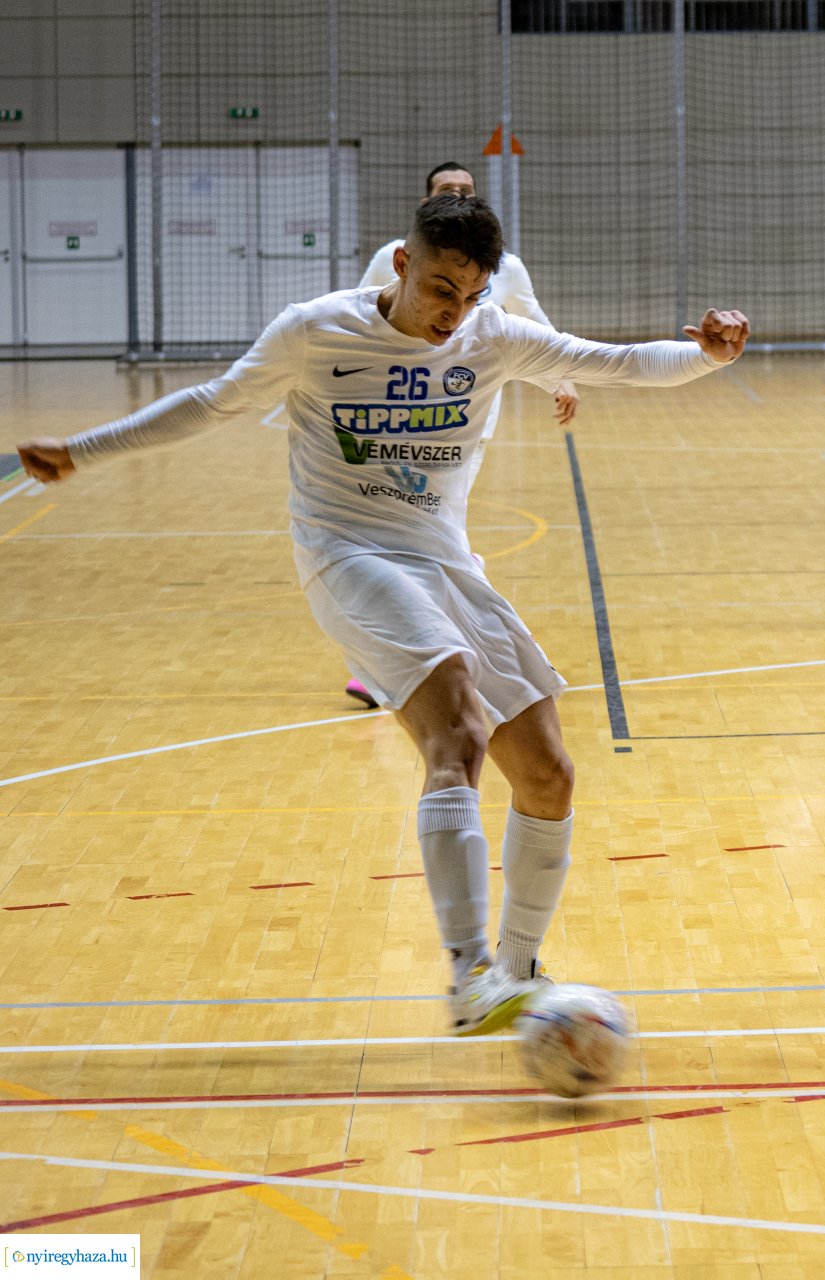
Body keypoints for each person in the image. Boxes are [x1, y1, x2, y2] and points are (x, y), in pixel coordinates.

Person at [16, 195, 750, 1035]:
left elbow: (614, 362)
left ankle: (515, 972)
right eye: (440, 287)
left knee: (548, 773)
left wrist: (710, 358)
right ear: (401, 265)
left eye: (469, 295)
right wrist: (83, 450)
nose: (453, 312)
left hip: (445, 559)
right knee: (459, 731)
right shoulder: (316, 330)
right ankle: (469, 973)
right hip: (346, 551)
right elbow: (214, 402)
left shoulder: (493, 335)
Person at [343, 159, 578, 709]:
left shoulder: (506, 269)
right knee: (399, 538)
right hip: (393, 418)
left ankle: (450, 656)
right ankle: (418, 657)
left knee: (433, 532)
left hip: (460, 427)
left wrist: (559, 378)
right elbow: (357, 322)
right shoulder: (389, 258)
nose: (456, 195)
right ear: (426, 204)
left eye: (466, 190)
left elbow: (536, 331)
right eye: (446, 190)